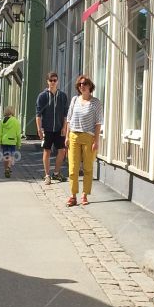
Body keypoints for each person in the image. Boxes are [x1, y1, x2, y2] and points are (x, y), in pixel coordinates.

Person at [65, 74, 103, 208]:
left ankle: (85, 194)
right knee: (73, 168)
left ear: (90, 86)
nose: (82, 86)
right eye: (80, 84)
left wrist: (96, 140)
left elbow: (98, 123)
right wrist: (67, 136)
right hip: (74, 136)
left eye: (85, 83)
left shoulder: (96, 102)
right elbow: (69, 119)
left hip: (88, 137)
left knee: (87, 167)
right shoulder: (75, 100)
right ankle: (73, 195)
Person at [35, 71, 70, 185]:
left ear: (58, 81)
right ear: (47, 81)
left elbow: (66, 114)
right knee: (47, 151)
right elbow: (38, 114)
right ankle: (47, 175)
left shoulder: (63, 96)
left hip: (60, 129)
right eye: (51, 80)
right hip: (47, 128)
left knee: (62, 151)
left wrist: (64, 127)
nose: (53, 82)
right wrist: (39, 129)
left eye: (55, 80)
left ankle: (56, 173)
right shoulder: (42, 96)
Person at [0, 106, 21, 179]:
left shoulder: (2, 121)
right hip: (12, 141)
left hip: (4, 141)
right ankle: (9, 167)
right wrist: (19, 143)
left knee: (5, 155)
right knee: (11, 155)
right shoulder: (16, 121)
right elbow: (18, 134)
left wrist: (0, 141)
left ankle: (5, 169)